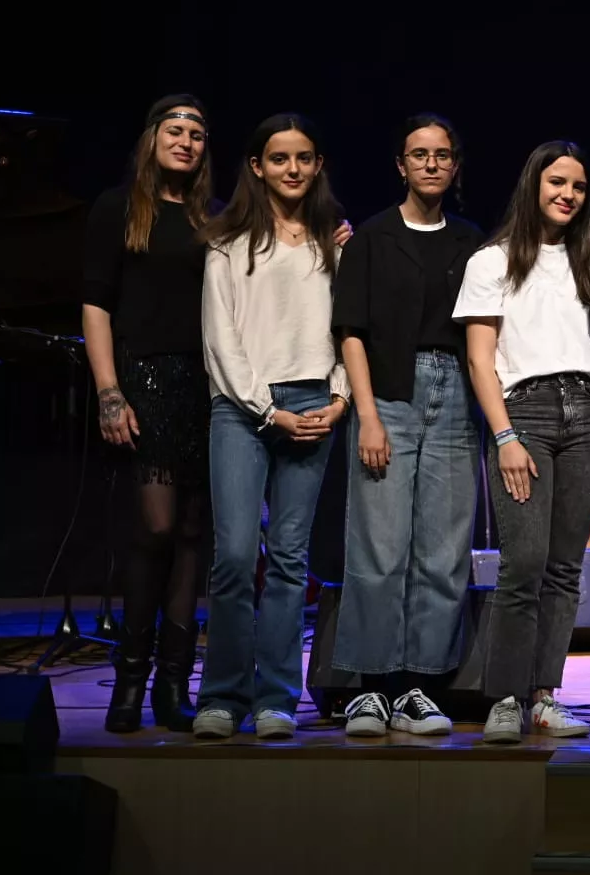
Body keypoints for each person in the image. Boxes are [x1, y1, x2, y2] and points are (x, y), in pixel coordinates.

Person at [455, 140, 590, 743]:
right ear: (534, 185)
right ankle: (505, 698)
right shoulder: (492, 261)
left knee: (563, 569)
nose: (567, 195)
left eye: (578, 187)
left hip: (588, 411)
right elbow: (480, 361)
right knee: (522, 564)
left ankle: (546, 696)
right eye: (557, 182)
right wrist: (504, 436)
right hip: (523, 412)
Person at [193, 114, 350, 740]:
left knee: (289, 560)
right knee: (234, 556)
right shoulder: (226, 244)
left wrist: (337, 399)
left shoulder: (334, 244)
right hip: (242, 406)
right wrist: (265, 408)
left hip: (313, 401)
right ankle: (225, 695)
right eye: (279, 158)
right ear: (257, 166)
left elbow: (349, 333)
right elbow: (220, 338)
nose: (292, 169)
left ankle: (275, 698)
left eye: (304, 158)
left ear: (316, 166)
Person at [331, 115, 485, 738]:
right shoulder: (371, 237)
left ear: (454, 166)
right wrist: (367, 415)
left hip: (454, 397)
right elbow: (351, 332)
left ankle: (419, 686)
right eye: (418, 155)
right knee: (379, 544)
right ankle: (371, 688)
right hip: (389, 396)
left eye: (442, 155)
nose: (430, 164)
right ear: (400, 164)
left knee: (443, 550)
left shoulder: (473, 243)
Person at [81, 95, 217, 733]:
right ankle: (128, 684)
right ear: (152, 137)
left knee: (193, 537)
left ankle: (172, 687)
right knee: (156, 531)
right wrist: (110, 391)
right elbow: (96, 304)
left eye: (196, 133)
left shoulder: (212, 219)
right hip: (145, 380)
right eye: (175, 129)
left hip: (204, 386)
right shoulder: (118, 208)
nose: (186, 141)